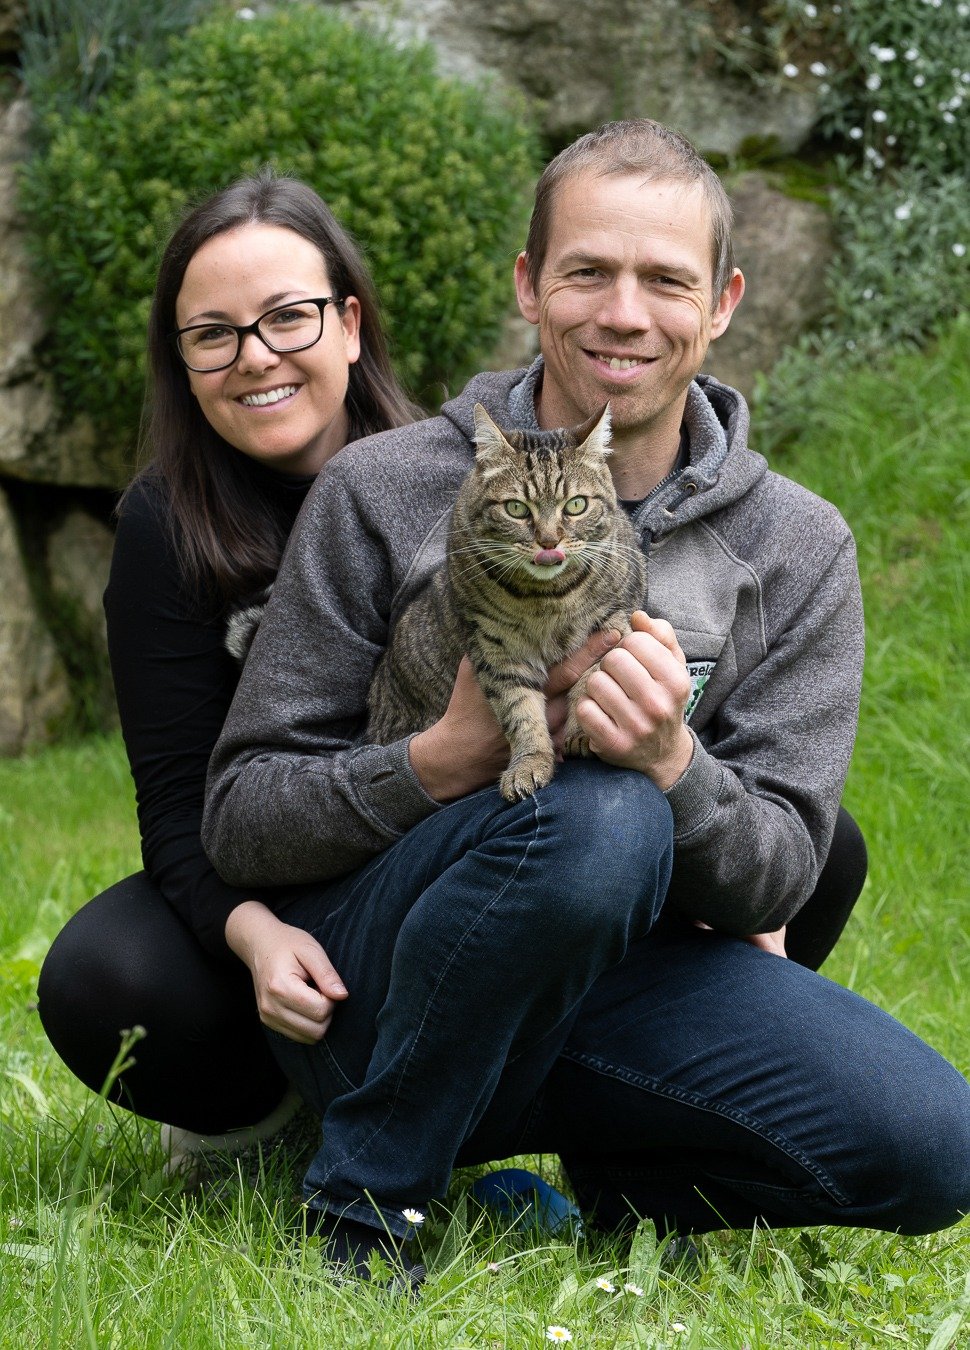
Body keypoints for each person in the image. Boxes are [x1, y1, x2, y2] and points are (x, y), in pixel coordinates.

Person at [201, 119, 970, 1281]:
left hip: (624, 989)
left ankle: (631, 1172)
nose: (624, 313)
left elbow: (780, 876)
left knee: (935, 1147)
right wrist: (439, 760)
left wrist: (674, 760)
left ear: (721, 303)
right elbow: (242, 814)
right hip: (380, 978)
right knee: (594, 819)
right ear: (528, 285)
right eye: (587, 271)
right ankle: (369, 1199)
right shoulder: (384, 488)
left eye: (665, 279)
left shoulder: (798, 545)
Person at [37, 171, 419, 1153]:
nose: (255, 359)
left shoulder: (449, 478)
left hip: (437, 856)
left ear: (349, 323)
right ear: (181, 359)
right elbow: (176, 807)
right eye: (214, 334)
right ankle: (278, 1103)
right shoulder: (165, 526)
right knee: (104, 976)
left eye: (286, 318)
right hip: (274, 880)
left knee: (803, 852)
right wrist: (255, 938)